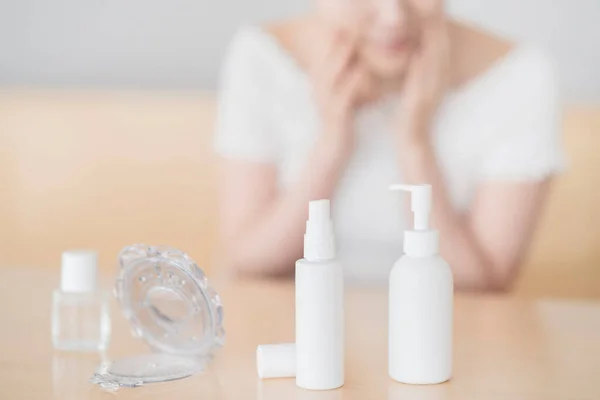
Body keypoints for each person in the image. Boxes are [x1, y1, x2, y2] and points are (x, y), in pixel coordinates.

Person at [213, 0, 565, 290]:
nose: (394, 15)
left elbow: (483, 284)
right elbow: (250, 261)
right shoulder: (261, 56)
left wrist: (414, 141)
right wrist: (332, 144)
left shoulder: (520, 75)